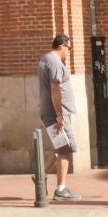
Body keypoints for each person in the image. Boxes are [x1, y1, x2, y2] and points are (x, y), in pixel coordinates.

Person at [37, 33, 83, 201]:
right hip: (56, 114)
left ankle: (40, 175)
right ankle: (61, 190)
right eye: (69, 48)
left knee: (60, 147)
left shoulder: (45, 59)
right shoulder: (55, 62)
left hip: (50, 113)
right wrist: (60, 116)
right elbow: (55, 89)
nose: (69, 52)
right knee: (65, 149)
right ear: (61, 46)